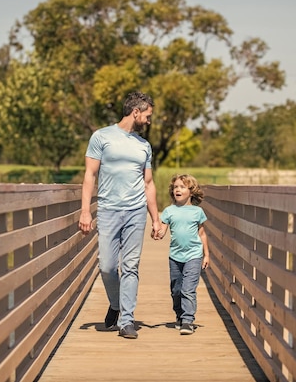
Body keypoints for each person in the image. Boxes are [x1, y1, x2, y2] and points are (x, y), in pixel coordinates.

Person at [79, 91, 163, 340]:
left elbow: (148, 183)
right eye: (147, 115)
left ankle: (127, 321)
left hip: (136, 212)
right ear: (135, 112)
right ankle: (115, 304)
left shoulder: (144, 145)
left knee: (130, 266)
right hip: (107, 210)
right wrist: (85, 210)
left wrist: (156, 218)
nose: (149, 120)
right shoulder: (101, 137)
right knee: (106, 266)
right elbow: (89, 176)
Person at [159, 174, 210, 335]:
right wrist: (157, 232)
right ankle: (179, 314)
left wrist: (206, 255)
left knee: (188, 289)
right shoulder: (169, 211)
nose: (178, 190)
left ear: (191, 191)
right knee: (176, 290)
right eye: (175, 187)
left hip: (194, 255)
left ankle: (188, 320)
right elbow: (162, 230)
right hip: (175, 256)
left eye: (182, 187)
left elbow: (202, 234)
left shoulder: (197, 212)